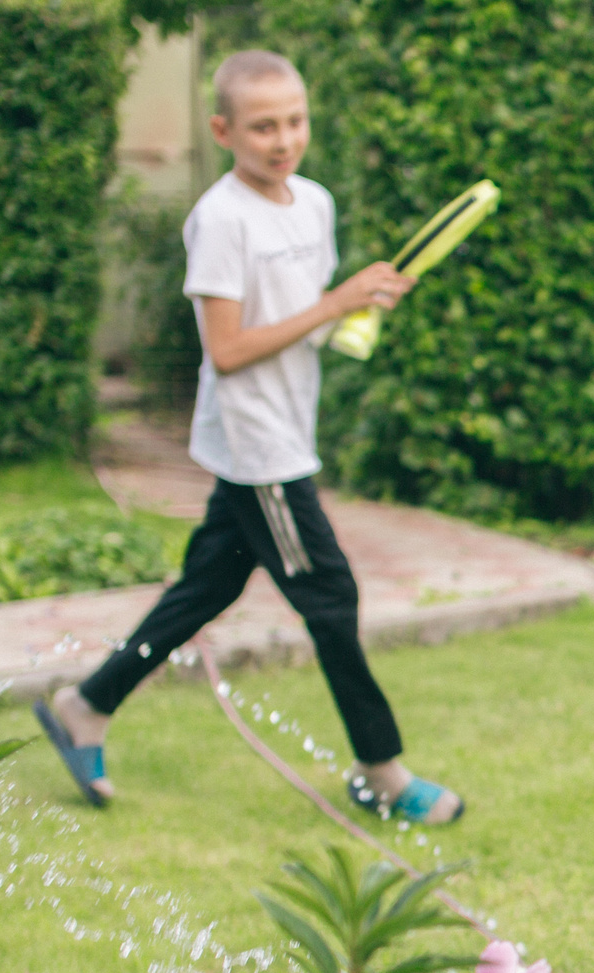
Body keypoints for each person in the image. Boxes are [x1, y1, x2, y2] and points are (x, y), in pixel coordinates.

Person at [34, 50, 463, 825]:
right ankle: (383, 773)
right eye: (263, 126)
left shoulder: (316, 204)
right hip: (259, 447)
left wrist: (359, 306)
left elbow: (306, 318)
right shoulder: (221, 219)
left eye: (295, 120)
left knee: (208, 587)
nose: (283, 139)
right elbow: (228, 351)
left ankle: (84, 707)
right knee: (331, 597)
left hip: (286, 427)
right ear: (224, 130)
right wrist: (335, 302)